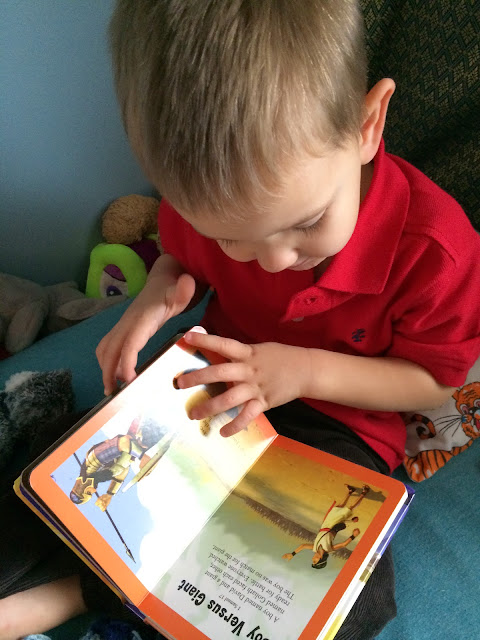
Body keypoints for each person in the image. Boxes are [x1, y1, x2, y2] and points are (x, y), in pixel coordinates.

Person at [2, 1, 480, 639]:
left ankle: (76, 594)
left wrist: (301, 372)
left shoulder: (436, 252)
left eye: (307, 223)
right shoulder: (208, 202)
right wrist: (156, 298)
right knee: (60, 476)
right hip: (215, 384)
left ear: (367, 126)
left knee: (346, 597)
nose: (274, 260)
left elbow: (433, 384)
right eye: (232, 238)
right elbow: (179, 259)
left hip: (338, 427)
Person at [282, 484, 369, 569]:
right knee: (349, 508)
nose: (312, 559)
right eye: (314, 561)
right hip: (333, 526)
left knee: (337, 507)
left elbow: (303, 546)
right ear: (321, 559)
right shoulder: (329, 549)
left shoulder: (315, 548)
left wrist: (292, 554)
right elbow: (343, 544)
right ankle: (364, 492)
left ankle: (350, 491)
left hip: (325, 525)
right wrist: (354, 535)